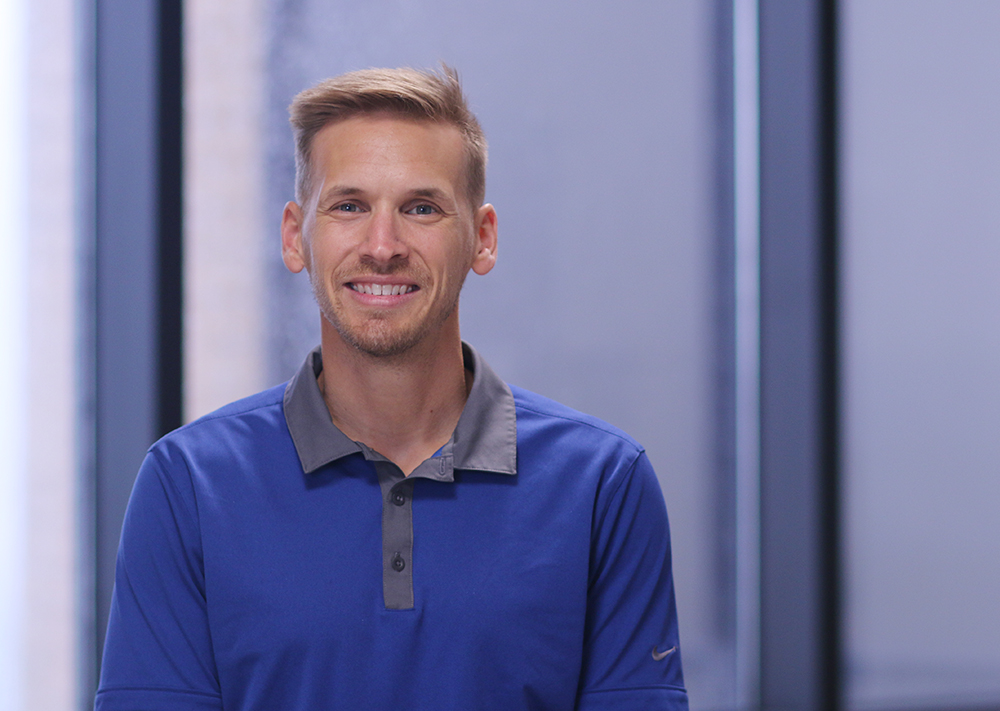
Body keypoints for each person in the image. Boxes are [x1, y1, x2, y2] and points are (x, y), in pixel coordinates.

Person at [95, 66, 688, 711]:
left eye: (421, 208)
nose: (383, 246)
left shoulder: (603, 484)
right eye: (349, 206)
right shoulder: (188, 485)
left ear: (482, 239)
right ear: (296, 237)